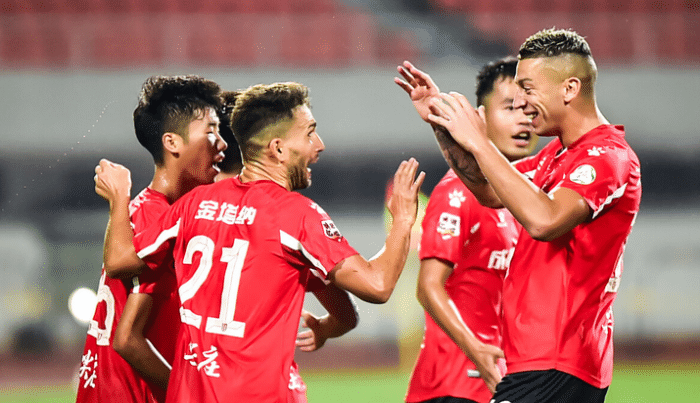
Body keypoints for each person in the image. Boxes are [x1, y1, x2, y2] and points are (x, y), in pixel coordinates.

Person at [94, 81, 425, 402]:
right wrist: (402, 221)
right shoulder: (296, 216)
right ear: (277, 148)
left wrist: (119, 197)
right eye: (309, 133)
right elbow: (376, 285)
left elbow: (119, 261)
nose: (319, 145)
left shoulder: (194, 205)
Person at [397, 28, 642, 403]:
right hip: (538, 363)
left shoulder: (606, 156)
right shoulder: (555, 156)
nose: (523, 104)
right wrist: (443, 126)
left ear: (569, 89)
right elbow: (489, 191)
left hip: (558, 361)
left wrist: (479, 140)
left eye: (528, 89)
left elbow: (545, 221)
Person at [76, 75, 227, 403]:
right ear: (172, 142)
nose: (222, 143)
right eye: (211, 131)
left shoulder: (142, 210)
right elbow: (128, 340)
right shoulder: (158, 220)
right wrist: (191, 395)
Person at [402, 57, 538, 403]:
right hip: (453, 384)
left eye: (529, 109)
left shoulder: (525, 197)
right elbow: (429, 286)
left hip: (502, 377)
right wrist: (475, 348)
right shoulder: (457, 192)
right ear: (480, 117)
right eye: (510, 107)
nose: (523, 118)